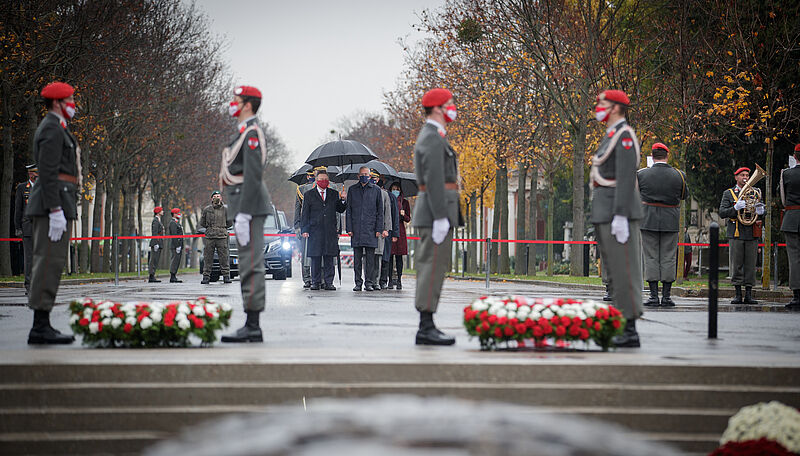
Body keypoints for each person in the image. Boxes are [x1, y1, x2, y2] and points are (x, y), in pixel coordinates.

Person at [25, 81, 81, 344]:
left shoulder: (58, 128)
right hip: (52, 206)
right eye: (69, 99)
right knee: (46, 262)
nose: (73, 104)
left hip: (57, 203)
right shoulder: (51, 128)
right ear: (57, 103)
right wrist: (55, 208)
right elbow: (47, 173)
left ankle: (43, 322)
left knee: (53, 263)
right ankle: (39, 326)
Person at [589, 89, 644, 348]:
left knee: (625, 271)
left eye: (602, 103)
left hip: (616, 211)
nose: (598, 107)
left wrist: (621, 215)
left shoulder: (624, 136)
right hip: (606, 210)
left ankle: (630, 328)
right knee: (614, 272)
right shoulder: (611, 134)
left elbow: (624, 177)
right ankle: (622, 323)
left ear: (615, 107)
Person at [219, 85, 272, 343]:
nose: (232, 103)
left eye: (236, 100)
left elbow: (253, 175)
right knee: (247, 264)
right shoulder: (243, 132)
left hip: (248, 206)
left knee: (251, 264)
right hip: (241, 204)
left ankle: (253, 325)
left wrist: (245, 214)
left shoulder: (251, 132)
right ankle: (250, 323)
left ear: (247, 105)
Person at [411, 88, 461, 346]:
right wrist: (441, 216)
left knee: (435, 268)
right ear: (439, 108)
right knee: (431, 268)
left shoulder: (436, 135)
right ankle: (426, 327)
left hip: (435, 212)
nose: (454, 108)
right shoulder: (432, 137)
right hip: (434, 213)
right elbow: (433, 180)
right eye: (450, 103)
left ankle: (428, 324)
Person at [637, 142, 688, 307]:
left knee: (651, 256)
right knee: (668, 257)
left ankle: (653, 296)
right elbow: (683, 196)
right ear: (667, 155)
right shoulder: (679, 175)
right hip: (670, 221)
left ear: (652, 156)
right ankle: (666, 296)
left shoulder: (641, 174)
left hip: (648, 219)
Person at [719, 167, 763, 304]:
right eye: (742, 175)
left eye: (747, 175)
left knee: (751, 264)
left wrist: (761, 211)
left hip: (751, 233)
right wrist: (735, 208)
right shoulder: (729, 193)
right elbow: (722, 212)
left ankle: (749, 294)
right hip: (736, 232)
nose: (745, 177)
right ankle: (738, 294)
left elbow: (761, 212)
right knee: (736, 264)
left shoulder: (755, 192)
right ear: (736, 177)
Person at [301, 169, 347, 290]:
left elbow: (340, 209)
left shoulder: (333, 193)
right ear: (316, 180)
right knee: (315, 257)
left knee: (329, 257)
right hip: (314, 231)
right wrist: (304, 229)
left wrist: (343, 200)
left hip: (329, 231)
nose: (323, 182)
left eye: (326, 180)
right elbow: (305, 213)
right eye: (321, 179)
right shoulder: (309, 195)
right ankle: (315, 282)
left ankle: (329, 282)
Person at [346, 166, 384, 291]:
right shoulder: (352, 190)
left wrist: (379, 228)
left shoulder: (376, 190)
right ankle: (358, 283)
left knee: (370, 260)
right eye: (362, 174)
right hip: (356, 229)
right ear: (358, 176)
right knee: (357, 260)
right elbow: (349, 211)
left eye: (367, 174)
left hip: (371, 229)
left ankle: (369, 282)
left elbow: (380, 212)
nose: (364, 176)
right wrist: (349, 228)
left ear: (370, 176)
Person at [779, 144, 800, 310]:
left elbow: (783, 199)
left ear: (795, 156)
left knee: (794, 259)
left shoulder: (786, 173)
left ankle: (797, 295)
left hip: (792, 218)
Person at [14, 164, 38, 294]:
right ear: (30, 174)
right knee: (29, 258)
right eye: (35, 174)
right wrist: (18, 227)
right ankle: (29, 285)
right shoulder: (22, 188)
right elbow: (18, 209)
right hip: (28, 228)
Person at [200, 190, 231, 284]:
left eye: (218, 196)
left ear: (221, 198)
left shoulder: (226, 209)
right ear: (211, 199)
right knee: (208, 257)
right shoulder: (207, 209)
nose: (217, 198)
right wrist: (211, 228)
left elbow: (229, 222)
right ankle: (206, 276)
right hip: (210, 236)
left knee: (224, 257)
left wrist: (222, 228)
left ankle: (226, 276)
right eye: (215, 196)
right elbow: (202, 222)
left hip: (222, 236)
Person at [372, 170, 394, 290]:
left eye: (375, 178)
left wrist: (387, 229)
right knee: (367, 257)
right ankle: (368, 281)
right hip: (368, 230)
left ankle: (376, 281)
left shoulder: (384, 194)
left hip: (380, 231)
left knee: (378, 257)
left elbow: (387, 214)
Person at [294, 169, 315, 288]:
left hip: (318, 225)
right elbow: (297, 209)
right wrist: (297, 226)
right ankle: (307, 278)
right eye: (310, 175)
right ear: (307, 176)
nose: (311, 177)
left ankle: (318, 277)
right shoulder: (301, 189)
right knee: (306, 253)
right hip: (305, 224)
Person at [389, 181, 411, 289]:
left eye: (397, 189)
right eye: (394, 189)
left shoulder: (405, 202)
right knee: (389, 256)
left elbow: (408, 219)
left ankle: (399, 280)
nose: (395, 191)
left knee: (399, 257)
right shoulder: (388, 200)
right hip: (390, 229)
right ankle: (389, 279)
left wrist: (404, 214)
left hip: (401, 231)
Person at [148, 206, 165, 283]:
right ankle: (151, 276)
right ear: (158, 212)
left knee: (156, 260)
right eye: (161, 210)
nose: (163, 211)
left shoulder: (158, 220)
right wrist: (155, 243)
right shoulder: (155, 220)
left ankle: (153, 275)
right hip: (156, 242)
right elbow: (154, 232)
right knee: (153, 260)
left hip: (159, 242)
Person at [168, 208, 184, 283]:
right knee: (174, 260)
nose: (179, 214)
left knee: (177, 260)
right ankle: (172, 276)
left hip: (178, 244)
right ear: (174, 214)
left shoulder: (177, 222)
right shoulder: (173, 223)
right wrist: (177, 245)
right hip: (175, 245)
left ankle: (174, 275)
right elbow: (174, 235)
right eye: (178, 213)